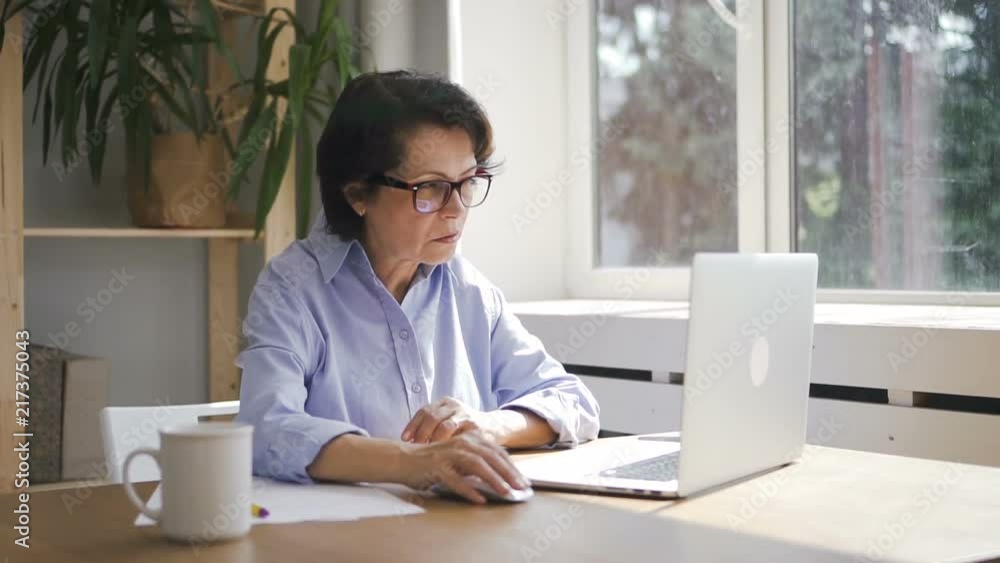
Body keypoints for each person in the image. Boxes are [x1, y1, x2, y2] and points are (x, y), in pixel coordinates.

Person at [235, 70, 600, 504]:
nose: (456, 210)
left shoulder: (468, 289)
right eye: (430, 188)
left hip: (461, 536)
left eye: (467, 183)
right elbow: (267, 428)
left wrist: (486, 426)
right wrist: (414, 462)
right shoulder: (292, 288)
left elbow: (573, 401)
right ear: (357, 194)